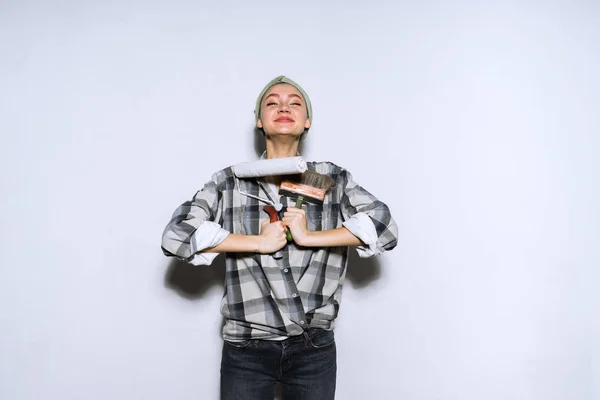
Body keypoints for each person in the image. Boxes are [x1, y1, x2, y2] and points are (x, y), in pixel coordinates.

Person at [161, 75, 398, 400]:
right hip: (246, 346)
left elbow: (384, 228)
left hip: (313, 346)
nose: (283, 107)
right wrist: (257, 242)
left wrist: (309, 236)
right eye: (272, 102)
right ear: (260, 120)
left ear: (307, 120)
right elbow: (176, 235)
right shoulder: (231, 182)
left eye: (295, 102)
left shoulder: (327, 178)